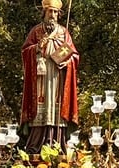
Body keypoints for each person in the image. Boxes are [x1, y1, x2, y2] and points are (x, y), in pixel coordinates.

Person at [20, 0, 79, 151]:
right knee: (40, 106)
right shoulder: (36, 32)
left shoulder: (64, 33)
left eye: (55, 12)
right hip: (40, 78)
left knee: (56, 108)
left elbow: (74, 55)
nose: (52, 15)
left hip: (57, 78)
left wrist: (68, 62)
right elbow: (25, 51)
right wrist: (37, 48)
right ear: (44, 12)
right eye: (49, 11)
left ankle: (57, 143)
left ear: (59, 14)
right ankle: (36, 144)